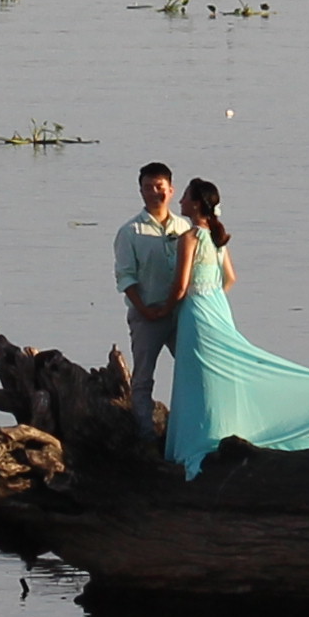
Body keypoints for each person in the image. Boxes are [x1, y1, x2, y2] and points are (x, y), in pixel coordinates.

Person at [160, 180, 309, 472]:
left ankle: (201, 438)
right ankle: (219, 433)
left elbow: (181, 286)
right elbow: (230, 278)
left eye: (185, 196)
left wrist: (162, 309)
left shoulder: (191, 238)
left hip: (197, 314)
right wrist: (211, 294)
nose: (181, 201)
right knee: (222, 375)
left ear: (196, 204)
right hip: (218, 309)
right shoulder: (216, 238)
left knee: (199, 379)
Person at [114, 165, 189, 424]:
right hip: (147, 313)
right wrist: (144, 309)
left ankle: (188, 427)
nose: (154, 193)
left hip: (181, 313)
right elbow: (125, 277)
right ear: (140, 191)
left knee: (193, 370)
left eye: (159, 187)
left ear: (171, 190)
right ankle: (144, 432)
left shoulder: (184, 227)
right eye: (148, 188)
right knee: (143, 377)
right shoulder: (130, 232)